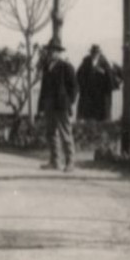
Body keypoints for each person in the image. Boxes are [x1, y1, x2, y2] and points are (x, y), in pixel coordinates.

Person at [37, 40, 79, 172]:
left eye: (54, 50)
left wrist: (68, 101)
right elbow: (43, 88)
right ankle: (55, 161)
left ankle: (70, 162)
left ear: (59, 52)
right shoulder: (47, 66)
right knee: (51, 133)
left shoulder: (66, 66)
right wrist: (41, 106)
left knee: (65, 133)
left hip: (61, 105)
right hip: (49, 104)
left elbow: (74, 87)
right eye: (50, 50)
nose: (51, 53)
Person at [76, 45, 116, 122]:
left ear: (99, 53)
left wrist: (102, 72)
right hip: (89, 91)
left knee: (101, 113)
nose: (94, 54)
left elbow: (110, 76)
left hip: (100, 92)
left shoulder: (104, 62)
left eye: (96, 53)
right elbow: (79, 73)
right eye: (93, 52)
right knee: (88, 113)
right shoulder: (86, 61)